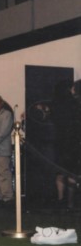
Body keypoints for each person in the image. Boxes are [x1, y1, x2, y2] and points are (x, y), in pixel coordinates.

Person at [50, 80, 78, 211]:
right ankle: (70, 203)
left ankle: (61, 200)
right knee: (72, 173)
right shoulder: (75, 104)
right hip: (74, 143)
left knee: (60, 172)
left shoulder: (57, 104)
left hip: (61, 142)